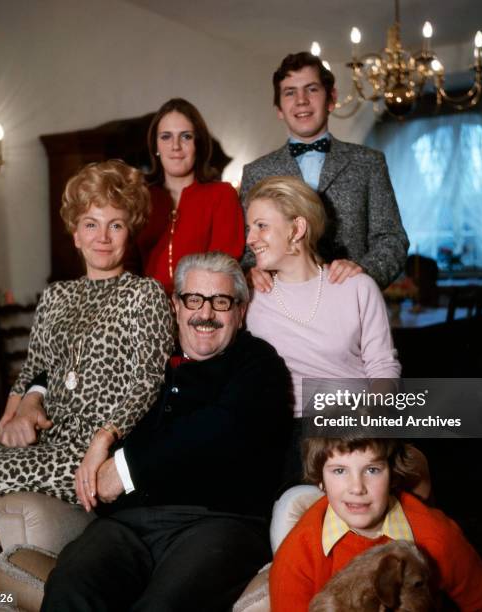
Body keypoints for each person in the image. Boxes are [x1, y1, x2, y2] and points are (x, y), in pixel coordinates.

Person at [0, 160, 173, 598]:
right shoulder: (55, 295)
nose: (102, 237)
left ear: (131, 231)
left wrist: (103, 441)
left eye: (115, 225)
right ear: (75, 232)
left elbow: (148, 381)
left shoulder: (145, 295)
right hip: (46, 441)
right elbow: (33, 372)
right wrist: (17, 411)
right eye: (91, 223)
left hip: (88, 454)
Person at [41, 252, 293, 612]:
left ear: (240, 311)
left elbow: (218, 429)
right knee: (70, 589)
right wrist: (32, 395)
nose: (205, 314)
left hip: (218, 524)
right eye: (193, 300)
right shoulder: (149, 356)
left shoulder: (258, 363)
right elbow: (67, 364)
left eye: (220, 302)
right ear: (176, 306)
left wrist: (125, 469)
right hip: (125, 526)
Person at [245, 176, 402, 483]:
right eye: (249, 227)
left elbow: (383, 366)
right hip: (288, 433)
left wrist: (369, 421)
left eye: (261, 225)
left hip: (356, 422)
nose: (250, 238)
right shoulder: (249, 295)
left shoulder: (356, 285)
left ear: (297, 229)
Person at [269, 436, 482, 611]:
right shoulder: (297, 553)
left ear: (393, 475)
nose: (356, 488)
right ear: (320, 481)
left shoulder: (436, 536)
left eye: (372, 469)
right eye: (339, 471)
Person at [240, 51, 408, 291]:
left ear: (331, 98)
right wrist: (250, 273)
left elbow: (392, 240)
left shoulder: (369, 163)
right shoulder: (256, 172)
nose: (301, 100)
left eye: (311, 89)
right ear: (278, 108)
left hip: (350, 303)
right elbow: (246, 250)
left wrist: (364, 273)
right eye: (290, 92)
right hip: (280, 306)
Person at [136, 98, 245, 294]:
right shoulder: (140, 198)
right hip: (146, 309)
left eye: (185, 136)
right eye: (166, 137)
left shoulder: (222, 195)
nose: (175, 146)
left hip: (202, 305)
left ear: (199, 143)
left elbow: (224, 267)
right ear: (155, 146)